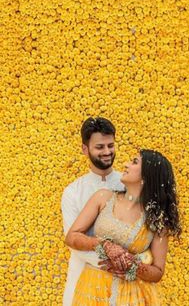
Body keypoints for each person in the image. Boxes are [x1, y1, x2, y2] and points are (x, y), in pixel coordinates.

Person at [65, 149, 182, 305]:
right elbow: (71, 237)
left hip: (131, 296)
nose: (126, 164)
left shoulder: (157, 220)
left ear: (148, 175)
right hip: (92, 290)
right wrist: (104, 245)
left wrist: (133, 266)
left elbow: (158, 272)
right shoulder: (103, 197)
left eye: (134, 162)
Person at [61, 117, 124, 306]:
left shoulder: (129, 184)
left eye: (110, 145)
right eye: (100, 147)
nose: (107, 152)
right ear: (85, 149)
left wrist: (131, 266)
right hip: (83, 281)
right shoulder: (73, 192)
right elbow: (73, 242)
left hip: (125, 285)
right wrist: (116, 263)